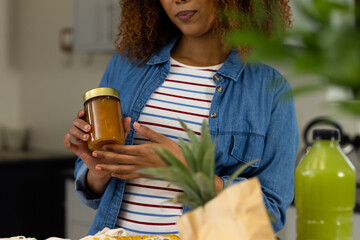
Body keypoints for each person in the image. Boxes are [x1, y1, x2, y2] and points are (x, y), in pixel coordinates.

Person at [64, 0, 299, 236]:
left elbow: (271, 214)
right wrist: (99, 171)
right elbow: (93, 194)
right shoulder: (126, 65)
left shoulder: (271, 90)